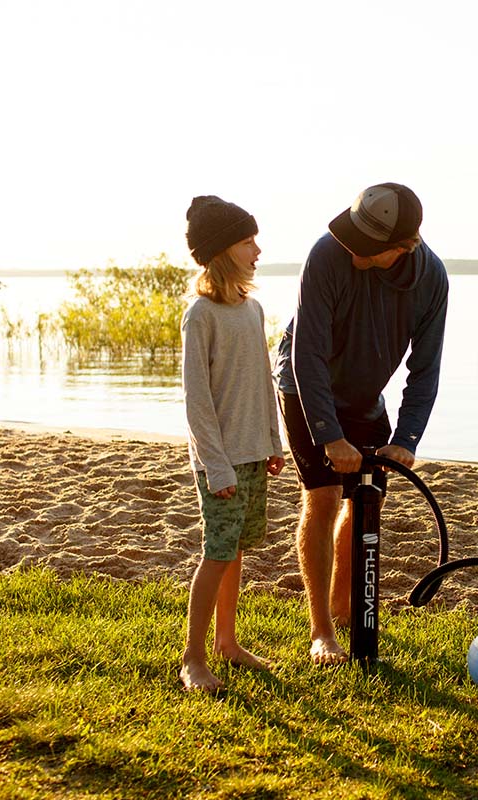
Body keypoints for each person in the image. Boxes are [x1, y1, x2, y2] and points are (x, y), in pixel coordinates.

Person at [275, 182, 448, 665]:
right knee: (325, 495)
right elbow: (307, 353)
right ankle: (322, 630)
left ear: (404, 246)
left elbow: (425, 366)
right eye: (353, 239)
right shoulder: (328, 255)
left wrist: (406, 437)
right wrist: (329, 435)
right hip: (305, 386)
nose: (354, 252)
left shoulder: (432, 279)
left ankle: (347, 609)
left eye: (367, 249)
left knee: (366, 502)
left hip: (365, 395)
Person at [179, 195, 285, 691]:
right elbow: (197, 402)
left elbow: (264, 381)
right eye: (248, 242)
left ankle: (227, 641)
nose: (257, 249)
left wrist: (273, 440)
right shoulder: (201, 316)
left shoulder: (252, 309)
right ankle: (193, 659)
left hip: (252, 454)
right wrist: (216, 467)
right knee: (216, 552)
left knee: (237, 549)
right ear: (223, 251)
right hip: (218, 462)